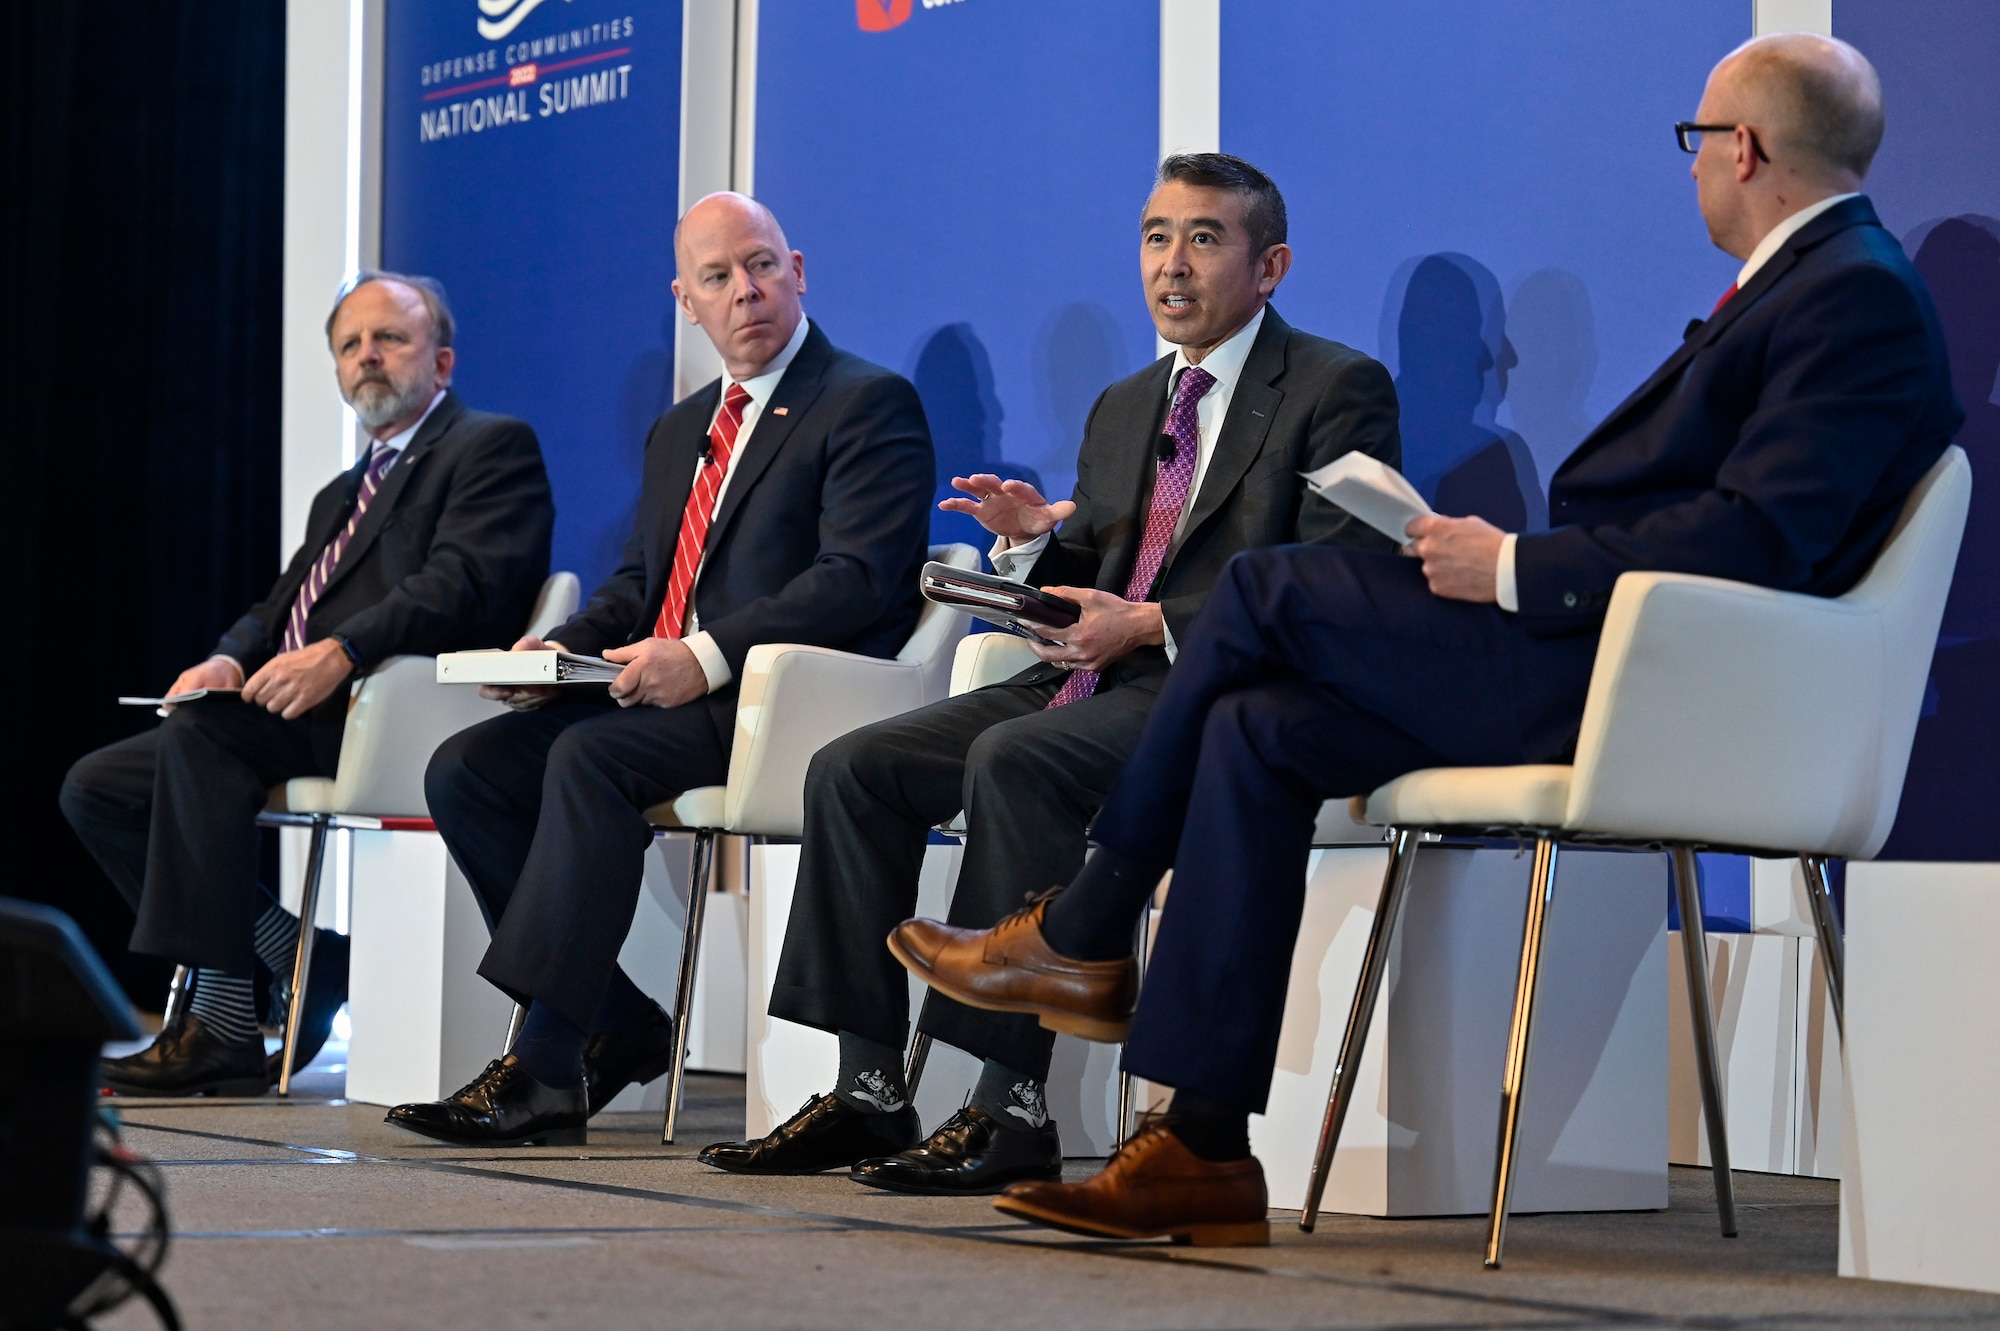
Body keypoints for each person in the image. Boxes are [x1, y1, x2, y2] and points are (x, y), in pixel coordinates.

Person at [896, 33, 1962, 1245]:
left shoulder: (1849, 293)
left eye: (1697, 143)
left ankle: (1084, 928)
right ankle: (1195, 1144)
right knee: (1252, 730)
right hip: (1611, 654)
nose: (1694, 170)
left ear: (1747, 148)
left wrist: (1507, 563)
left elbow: (1757, 538)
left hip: (1644, 682)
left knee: (1257, 589)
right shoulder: (1809, 285)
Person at [697, 154, 1400, 1192]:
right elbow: (1092, 583)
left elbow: (1336, 572)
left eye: (1203, 238)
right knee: (853, 768)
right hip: (1091, 683)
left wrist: (1152, 621)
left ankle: (1006, 1107)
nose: (1170, 264)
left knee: (1013, 758)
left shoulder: (1333, 388)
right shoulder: (1126, 403)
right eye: (1155, 237)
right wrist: (1031, 554)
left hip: (1210, 690)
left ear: (1270, 265)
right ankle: (866, 1091)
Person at [385, 192, 937, 1148]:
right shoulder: (681, 429)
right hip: (661, 692)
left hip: (781, 699)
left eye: (761, 266)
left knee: (587, 761)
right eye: (718, 278)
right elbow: (644, 580)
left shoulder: (865, 399)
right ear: (687, 301)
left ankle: (547, 1063)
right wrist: (565, 654)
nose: (746, 291)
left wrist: (707, 655)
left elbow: (857, 579)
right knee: (467, 770)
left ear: (797, 269)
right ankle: (620, 1020)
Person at [66, 272, 556, 1096]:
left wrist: (343, 649)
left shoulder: (488, 445)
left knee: (202, 735)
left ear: (441, 361)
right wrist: (229, 656)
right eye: (350, 345)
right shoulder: (344, 490)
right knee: (98, 788)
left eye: (389, 339)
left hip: (398, 708)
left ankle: (220, 1023)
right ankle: (303, 954)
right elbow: (279, 601)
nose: (368, 357)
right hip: (303, 709)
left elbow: (466, 582)